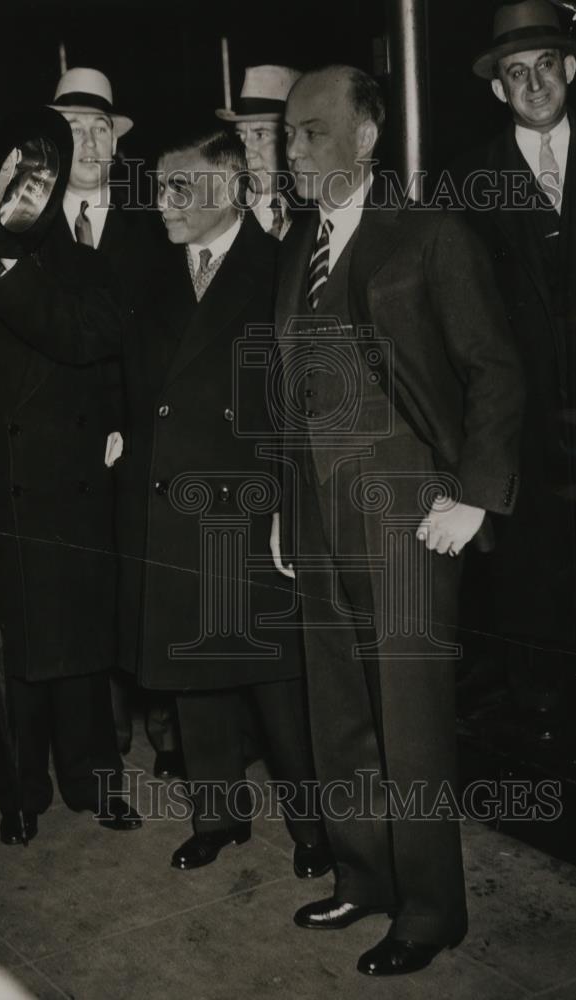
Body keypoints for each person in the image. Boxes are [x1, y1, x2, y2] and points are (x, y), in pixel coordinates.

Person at [274, 66, 525, 975]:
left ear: (367, 135)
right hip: (319, 524)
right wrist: (284, 515)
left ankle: (430, 911)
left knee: (412, 728)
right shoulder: (299, 250)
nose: (292, 150)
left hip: (413, 520)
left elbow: (496, 370)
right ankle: (366, 877)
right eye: (286, 135)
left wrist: (474, 496)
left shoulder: (430, 234)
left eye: (311, 132)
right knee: (340, 714)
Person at [0, 106, 142, 845]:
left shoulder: (85, 263)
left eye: (38, 177)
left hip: (75, 490)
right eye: (12, 177)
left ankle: (96, 784)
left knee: (82, 657)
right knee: (10, 661)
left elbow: (106, 352)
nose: (27, 193)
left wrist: (117, 424)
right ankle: (20, 795)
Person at [116, 125, 328, 878]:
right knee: (192, 676)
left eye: (180, 188)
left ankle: (314, 830)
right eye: (159, 187)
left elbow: (304, 406)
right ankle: (218, 817)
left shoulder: (281, 271)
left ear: (231, 188)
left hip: (252, 513)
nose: (163, 203)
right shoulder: (152, 273)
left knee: (278, 686)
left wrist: (289, 512)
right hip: (174, 507)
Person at [454, 0, 576, 734]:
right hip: (522, 427)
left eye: (546, 66)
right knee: (531, 578)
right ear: (497, 89)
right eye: (517, 73)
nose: (534, 83)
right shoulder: (469, 182)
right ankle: (542, 716)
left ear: (569, 69)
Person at [49, 66, 182, 778]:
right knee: (83, 582)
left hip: (140, 430)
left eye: (101, 128)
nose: (91, 142)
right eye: (75, 129)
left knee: (147, 574)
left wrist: (136, 420)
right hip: (63, 439)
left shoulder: (152, 224)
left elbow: (168, 332)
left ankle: (166, 725)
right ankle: (104, 731)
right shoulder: (32, 228)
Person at [216, 65, 300, 240]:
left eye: (260, 135)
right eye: (241, 136)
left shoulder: (315, 213)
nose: (248, 152)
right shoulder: (220, 217)